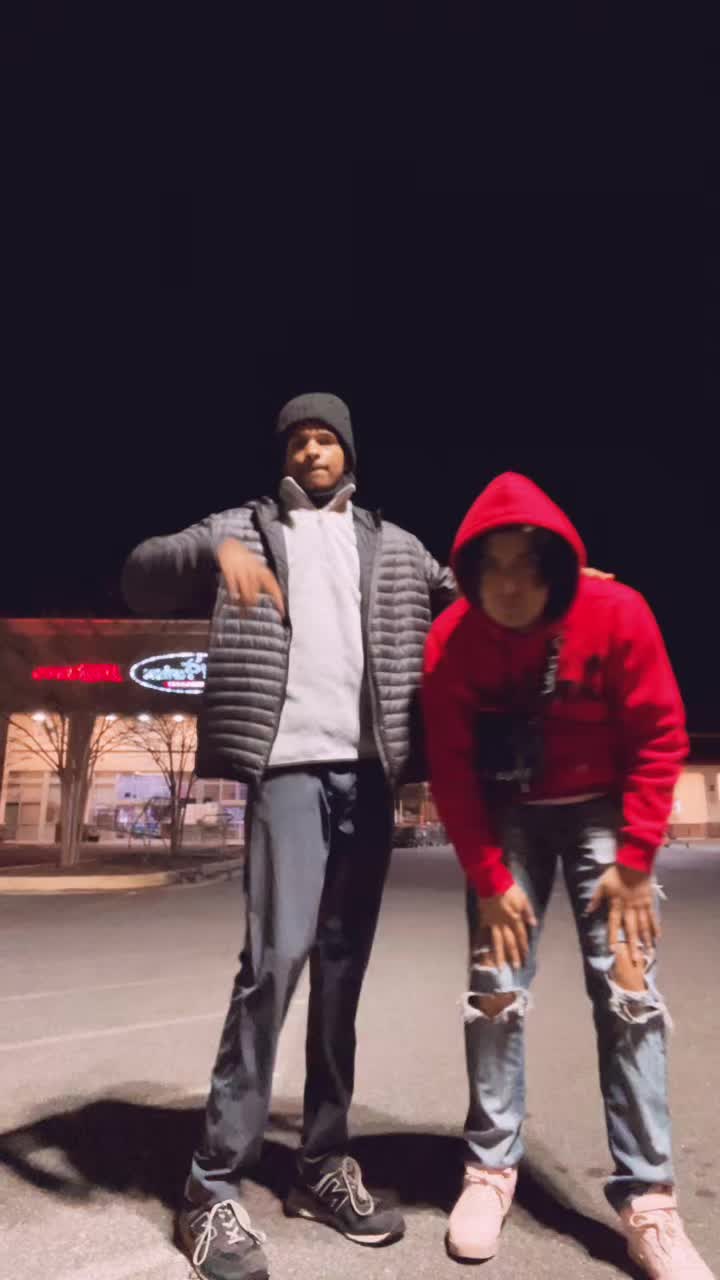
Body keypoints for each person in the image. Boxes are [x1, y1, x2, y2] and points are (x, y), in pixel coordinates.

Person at [122, 393, 456, 1280]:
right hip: (288, 770)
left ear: (349, 452)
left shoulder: (395, 544)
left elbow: (477, 603)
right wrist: (215, 552)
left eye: (326, 438)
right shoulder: (243, 526)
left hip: (369, 775)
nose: (313, 450)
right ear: (284, 455)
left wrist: (563, 586)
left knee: (343, 977)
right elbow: (141, 572)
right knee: (274, 966)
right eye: (300, 439)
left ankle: (321, 1163)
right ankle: (211, 1187)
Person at [422, 472, 714, 1279]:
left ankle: (649, 1201)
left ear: (558, 565)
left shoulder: (617, 613)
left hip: (603, 811)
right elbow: (449, 765)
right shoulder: (452, 638)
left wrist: (635, 860)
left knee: (628, 991)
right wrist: (488, 876)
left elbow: (660, 734)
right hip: (504, 813)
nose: (510, 584)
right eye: (492, 566)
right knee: (495, 990)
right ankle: (489, 1169)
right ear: (469, 572)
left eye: (527, 564)